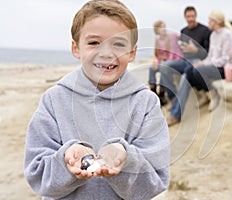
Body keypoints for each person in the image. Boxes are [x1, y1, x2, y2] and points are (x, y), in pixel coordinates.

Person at [24, 1, 170, 199]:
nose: (106, 53)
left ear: (132, 52)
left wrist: (125, 159)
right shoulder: (54, 100)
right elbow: (37, 175)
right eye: (94, 42)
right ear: (76, 48)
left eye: (118, 44)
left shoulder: (145, 103)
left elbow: (156, 182)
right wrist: (65, 162)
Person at [167, 9, 232, 126]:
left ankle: (212, 93)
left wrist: (205, 64)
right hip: (214, 64)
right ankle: (205, 93)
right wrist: (203, 63)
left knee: (198, 71)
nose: (208, 22)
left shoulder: (227, 34)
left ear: (216, 21)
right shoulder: (214, 35)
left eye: (210, 20)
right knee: (189, 70)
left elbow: (225, 59)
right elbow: (210, 56)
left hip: (226, 67)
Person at [159, 6, 211, 105]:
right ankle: (172, 97)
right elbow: (180, 48)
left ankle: (176, 113)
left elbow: (208, 53)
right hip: (184, 61)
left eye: (192, 16)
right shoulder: (183, 31)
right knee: (164, 66)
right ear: (185, 17)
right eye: (188, 16)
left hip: (197, 60)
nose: (190, 19)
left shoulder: (205, 30)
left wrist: (196, 50)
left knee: (185, 77)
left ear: (196, 16)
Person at [148, 20, 183, 106]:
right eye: (161, 27)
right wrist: (155, 62)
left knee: (164, 67)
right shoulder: (158, 41)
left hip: (176, 61)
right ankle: (155, 93)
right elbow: (158, 56)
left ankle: (162, 92)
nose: (164, 29)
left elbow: (183, 37)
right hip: (165, 63)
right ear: (157, 31)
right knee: (151, 68)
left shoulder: (172, 36)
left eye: (164, 26)